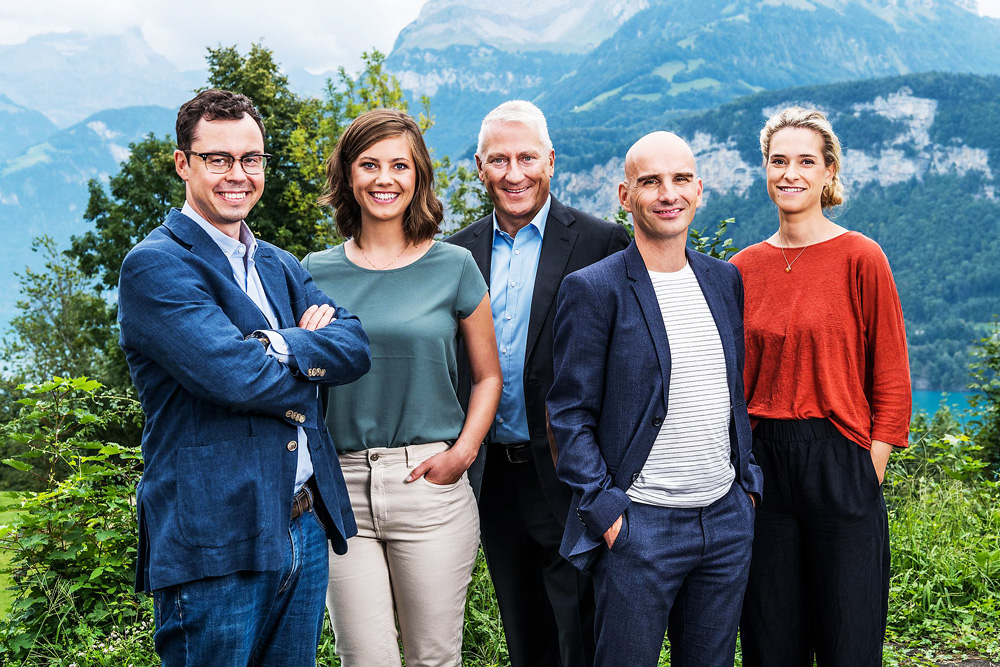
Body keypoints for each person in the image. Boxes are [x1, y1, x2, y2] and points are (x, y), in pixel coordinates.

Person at [117, 89, 371, 665]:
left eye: (250, 159)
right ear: (183, 163)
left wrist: (276, 344)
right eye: (218, 159)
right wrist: (311, 357)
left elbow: (355, 346)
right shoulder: (157, 265)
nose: (239, 175)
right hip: (214, 536)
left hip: (302, 526)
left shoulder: (279, 263)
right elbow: (238, 380)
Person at [548, 131, 763, 667]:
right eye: (651, 181)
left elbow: (732, 390)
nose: (668, 193)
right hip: (639, 527)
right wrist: (606, 511)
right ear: (626, 196)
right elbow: (568, 414)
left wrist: (748, 488)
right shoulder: (594, 289)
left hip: (725, 520)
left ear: (699, 189)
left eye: (681, 179)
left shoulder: (724, 280)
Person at [301, 108, 502, 667]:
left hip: (428, 486)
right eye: (369, 165)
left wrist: (461, 454)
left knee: (433, 660)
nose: (384, 178)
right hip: (340, 490)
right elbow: (298, 377)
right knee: (363, 660)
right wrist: (305, 345)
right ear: (348, 176)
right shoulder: (312, 272)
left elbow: (488, 376)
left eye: (399, 165)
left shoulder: (455, 266)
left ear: (418, 177)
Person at [447, 100, 631, 667]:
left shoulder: (603, 241)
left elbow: (626, 363)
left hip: (570, 475)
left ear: (550, 161)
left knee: (583, 634)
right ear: (480, 167)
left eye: (527, 157)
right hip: (491, 478)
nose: (514, 173)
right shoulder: (455, 252)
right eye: (498, 160)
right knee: (523, 633)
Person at [732, 107, 911, 666]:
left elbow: (891, 376)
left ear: (828, 172)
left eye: (806, 161)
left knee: (848, 640)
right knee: (770, 640)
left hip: (840, 459)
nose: (791, 173)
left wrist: (869, 466)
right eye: (778, 161)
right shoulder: (740, 268)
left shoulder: (861, 257)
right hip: (764, 467)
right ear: (764, 170)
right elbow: (730, 384)